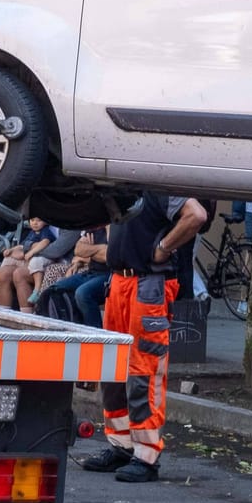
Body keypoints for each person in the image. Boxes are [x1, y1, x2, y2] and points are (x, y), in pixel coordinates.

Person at [81, 192, 207, 483]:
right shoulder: (131, 186)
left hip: (148, 285)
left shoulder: (158, 185)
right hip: (122, 282)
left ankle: (146, 454)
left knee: (144, 370)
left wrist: (163, 248)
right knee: (115, 368)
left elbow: (196, 215)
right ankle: (122, 445)